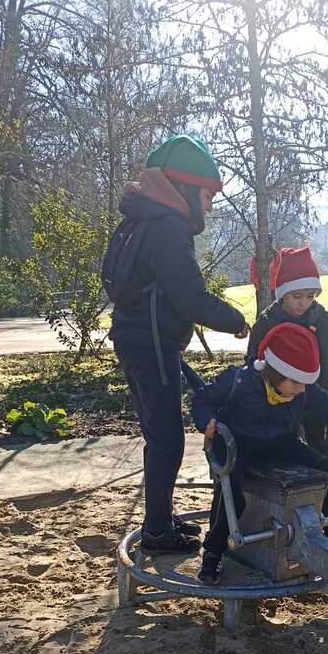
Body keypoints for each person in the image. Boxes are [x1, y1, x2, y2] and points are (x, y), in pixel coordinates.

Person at [108, 134, 249, 555]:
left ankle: (159, 520)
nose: (210, 206)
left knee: (159, 436)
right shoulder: (167, 227)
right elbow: (189, 297)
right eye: (208, 195)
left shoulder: (142, 220)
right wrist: (236, 321)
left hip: (135, 339)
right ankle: (156, 532)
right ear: (186, 187)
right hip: (151, 346)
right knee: (167, 440)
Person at [193, 322, 328, 584]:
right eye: (296, 381)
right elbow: (202, 398)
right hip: (238, 445)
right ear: (274, 372)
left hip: (278, 442)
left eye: (307, 382)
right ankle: (214, 551)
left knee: (323, 467)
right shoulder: (239, 380)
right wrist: (206, 420)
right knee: (230, 491)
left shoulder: (302, 390)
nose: (303, 389)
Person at [246, 247, 328, 462]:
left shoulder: (324, 320)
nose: (303, 302)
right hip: (279, 405)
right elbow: (253, 361)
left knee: (323, 459)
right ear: (282, 292)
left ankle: (325, 482)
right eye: (297, 296)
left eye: (310, 296)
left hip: (319, 402)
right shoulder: (267, 323)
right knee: (285, 457)